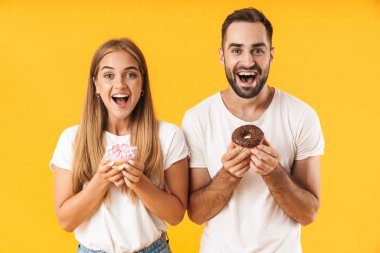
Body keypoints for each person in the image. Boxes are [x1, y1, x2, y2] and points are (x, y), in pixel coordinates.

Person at [182, 7, 324, 253]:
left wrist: (274, 174)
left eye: (257, 50)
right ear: (221, 56)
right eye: (236, 50)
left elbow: (308, 213)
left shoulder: (302, 116)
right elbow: (196, 213)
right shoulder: (197, 119)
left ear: (271, 55)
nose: (247, 61)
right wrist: (229, 175)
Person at [50, 38, 188, 253]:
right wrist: (102, 180)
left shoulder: (168, 135)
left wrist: (139, 182)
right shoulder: (71, 140)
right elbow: (66, 222)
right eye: (108, 75)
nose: (120, 84)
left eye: (130, 75)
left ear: (142, 83)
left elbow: (176, 215)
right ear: (96, 84)